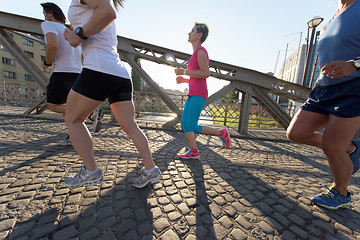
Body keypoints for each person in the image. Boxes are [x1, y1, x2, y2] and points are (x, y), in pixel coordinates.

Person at [63, 0, 161, 189]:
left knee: (72, 119)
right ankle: (151, 169)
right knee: (130, 125)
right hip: (119, 73)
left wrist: (78, 34)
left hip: (98, 69)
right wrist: (77, 36)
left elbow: (108, 12)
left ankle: (91, 171)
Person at [286, 0, 360, 210]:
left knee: (332, 146)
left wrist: (354, 65)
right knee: (296, 133)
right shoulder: (332, 19)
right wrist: (319, 79)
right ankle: (352, 148)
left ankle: (341, 192)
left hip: (354, 87)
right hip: (324, 88)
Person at [40, 2, 103, 146]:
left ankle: (91, 113)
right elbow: (82, 55)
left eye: (44, 14)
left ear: (50, 13)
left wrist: (48, 63)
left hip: (62, 72)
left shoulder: (48, 24)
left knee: (53, 105)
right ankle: (73, 137)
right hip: (77, 73)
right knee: (67, 107)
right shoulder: (70, 32)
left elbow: (53, 45)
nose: (44, 17)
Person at [174, 23, 231, 159]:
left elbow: (205, 73)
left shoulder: (200, 51)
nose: (189, 33)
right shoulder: (195, 53)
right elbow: (196, 77)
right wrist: (185, 80)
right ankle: (194, 151)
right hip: (193, 93)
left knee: (191, 125)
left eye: (192, 31)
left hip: (199, 95)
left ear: (199, 35)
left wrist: (185, 71)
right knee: (184, 124)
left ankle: (221, 133)